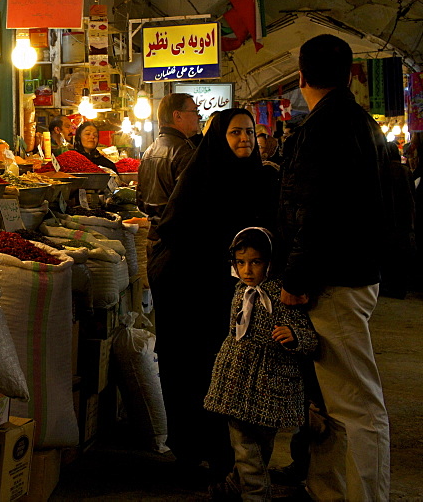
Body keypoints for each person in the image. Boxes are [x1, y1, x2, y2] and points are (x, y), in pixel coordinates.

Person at [277, 33, 406, 501]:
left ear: (301, 77)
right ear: (352, 75)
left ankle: (367, 495)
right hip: (356, 271)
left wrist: (295, 280)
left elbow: (315, 214)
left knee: (356, 404)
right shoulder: (362, 125)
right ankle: (329, 489)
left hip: (335, 281)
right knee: (332, 402)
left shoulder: (323, 130)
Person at [148, 108, 279, 483]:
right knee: (193, 370)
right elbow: (173, 230)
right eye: (236, 132)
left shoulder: (261, 180)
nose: (244, 140)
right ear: (220, 136)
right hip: (193, 294)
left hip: (240, 297)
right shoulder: (198, 177)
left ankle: (229, 458)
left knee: (234, 376)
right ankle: (189, 454)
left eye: (250, 133)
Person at [204, 227, 318, 501]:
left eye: (255, 262)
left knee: (260, 445)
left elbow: (309, 335)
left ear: (270, 262)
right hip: (235, 380)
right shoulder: (240, 291)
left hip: (270, 382)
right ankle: (255, 494)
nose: (247, 270)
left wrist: (294, 336)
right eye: (241, 263)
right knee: (244, 444)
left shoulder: (280, 295)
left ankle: (235, 483)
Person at [136, 93, 202, 241]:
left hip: (154, 237)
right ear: (177, 116)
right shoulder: (185, 152)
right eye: (194, 111)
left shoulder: (148, 152)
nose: (198, 117)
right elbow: (191, 203)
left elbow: (140, 201)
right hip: (178, 241)